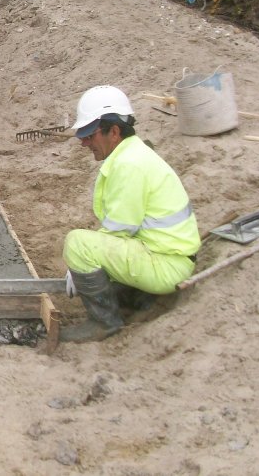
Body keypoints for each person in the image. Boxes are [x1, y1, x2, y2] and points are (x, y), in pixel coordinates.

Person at [61, 85, 200, 343]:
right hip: (168, 255)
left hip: (166, 265)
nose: (84, 143)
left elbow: (118, 230)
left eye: (90, 136)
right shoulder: (132, 155)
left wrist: (78, 268)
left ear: (113, 131)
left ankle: (103, 322)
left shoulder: (129, 165)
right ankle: (135, 296)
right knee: (96, 250)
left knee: (78, 244)